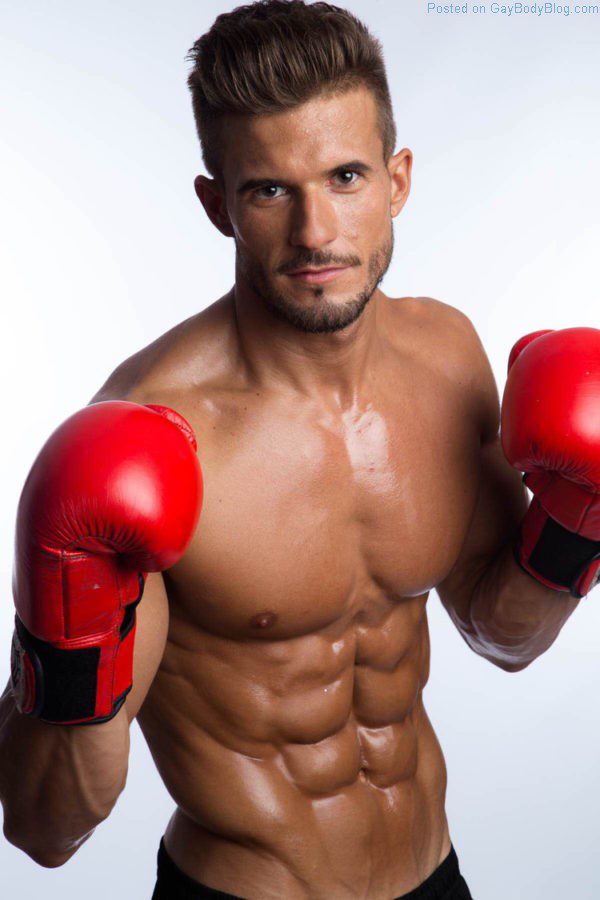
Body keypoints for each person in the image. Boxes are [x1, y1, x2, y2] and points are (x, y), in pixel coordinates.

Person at [2, 2, 599, 898]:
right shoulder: (157, 434)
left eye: (347, 176)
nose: (317, 232)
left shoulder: (447, 359)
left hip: (435, 876)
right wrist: (68, 649)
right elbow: (45, 829)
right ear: (216, 204)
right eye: (270, 189)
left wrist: (575, 525)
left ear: (397, 180)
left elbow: (500, 632)